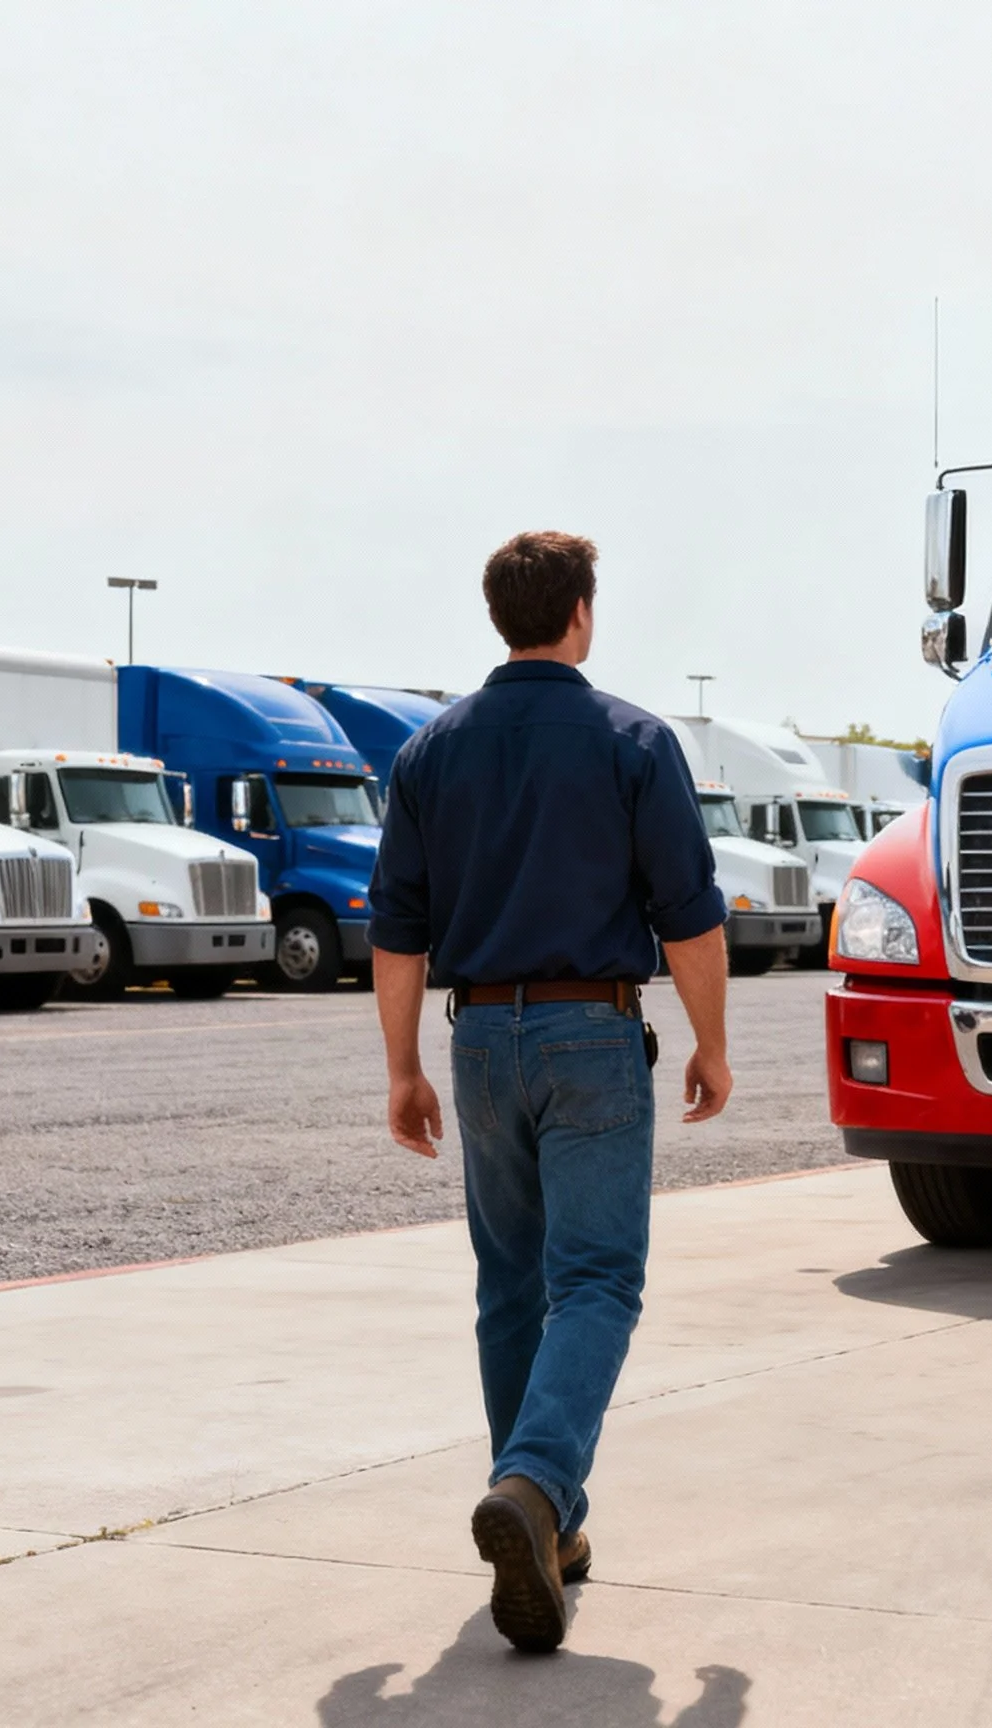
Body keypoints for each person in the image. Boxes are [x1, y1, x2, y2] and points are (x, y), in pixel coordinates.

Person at [368, 530, 732, 1654]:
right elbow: (690, 913)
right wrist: (713, 1044)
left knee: (509, 1288)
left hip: (477, 1040)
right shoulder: (633, 739)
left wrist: (401, 1071)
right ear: (579, 612)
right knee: (597, 1284)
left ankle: (549, 1530)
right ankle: (532, 1485)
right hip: (591, 1033)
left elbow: (396, 931)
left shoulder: (429, 752)